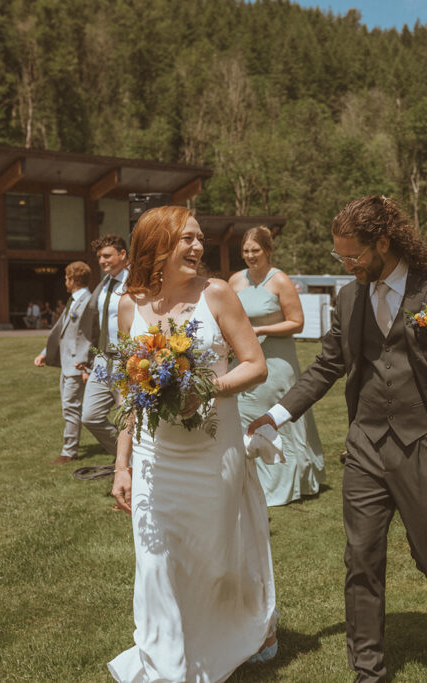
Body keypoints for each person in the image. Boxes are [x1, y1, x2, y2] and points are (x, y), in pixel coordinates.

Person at [246, 196, 427, 682]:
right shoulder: (348, 297)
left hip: (425, 443)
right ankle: (369, 673)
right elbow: (327, 366)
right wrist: (276, 415)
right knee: (360, 558)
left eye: (353, 256)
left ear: (384, 243)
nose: (347, 266)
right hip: (364, 445)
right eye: (340, 258)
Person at [108, 206, 277, 682]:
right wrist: (122, 465)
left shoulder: (216, 294)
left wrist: (208, 388)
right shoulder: (129, 304)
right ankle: (165, 665)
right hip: (153, 456)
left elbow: (254, 364)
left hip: (211, 451)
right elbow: (129, 394)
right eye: (186, 239)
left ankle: (238, 628)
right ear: (157, 245)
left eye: (199, 239)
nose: (198, 247)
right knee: (156, 563)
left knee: (213, 561)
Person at [228, 226, 326, 506]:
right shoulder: (235, 281)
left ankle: (290, 480)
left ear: (268, 251)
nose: (250, 256)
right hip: (244, 359)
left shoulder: (280, 280)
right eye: (246, 251)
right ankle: (251, 481)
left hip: (277, 360)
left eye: (255, 250)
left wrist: (260, 330)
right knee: (245, 415)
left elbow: (297, 322)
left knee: (277, 415)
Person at [33, 262, 93, 464]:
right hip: (67, 363)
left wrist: (87, 365)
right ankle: (70, 447)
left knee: (71, 407)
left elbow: (91, 336)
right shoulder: (74, 300)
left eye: (67, 278)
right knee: (69, 407)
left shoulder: (87, 302)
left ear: (73, 279)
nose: (65, 282)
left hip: (77, 364)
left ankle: (69, 451)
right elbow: (63, 331)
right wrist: (44, 353)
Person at [79, 234, 130, 456]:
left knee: (127, 416)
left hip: (126, 359)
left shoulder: (135, 283)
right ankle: (125, 457)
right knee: (90, 416)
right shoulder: (105, 283)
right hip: (102, 359)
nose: (102, 261)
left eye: (107, 255)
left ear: (123, 254)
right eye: (99, 256)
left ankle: (130, 466)